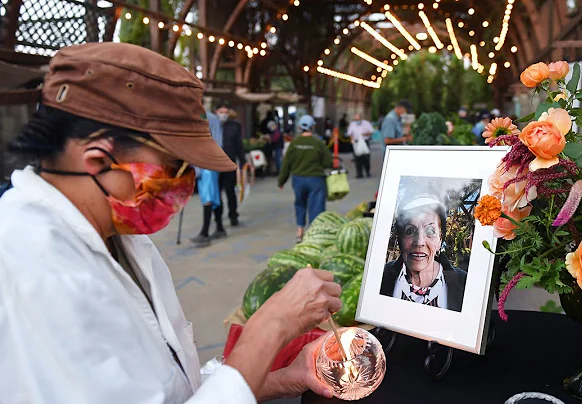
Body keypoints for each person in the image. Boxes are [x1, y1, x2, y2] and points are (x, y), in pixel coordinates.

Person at [0, 42, 341, 403]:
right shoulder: (29, 271)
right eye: (173, 168)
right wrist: (272, 325)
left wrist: (285, 377)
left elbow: (172, 388)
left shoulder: (122, 238)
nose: (185, 184)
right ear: (98, 161)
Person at [380, 192, 467, 312]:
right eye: (410, 231)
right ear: (400, 238)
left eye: (430, 231)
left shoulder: (464, 284)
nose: (419, 242)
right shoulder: (381, 277)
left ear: (440, 239)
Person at [279, 115, 333, 243]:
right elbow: (328, 162)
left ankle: (299, 232)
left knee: (300, 204)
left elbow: (286, 163)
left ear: (299, 127)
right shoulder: (318, 143)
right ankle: (314, 235)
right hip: (316, 180)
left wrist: (281, 181)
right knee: (317, 207)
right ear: (312, 127)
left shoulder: (294, 143)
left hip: (298, 180)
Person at [191, 111, 226, 246]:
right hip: (198, 163)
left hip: (208, 163)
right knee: (212, 195)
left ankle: (205, 232)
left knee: (208, 197)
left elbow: (217, 143)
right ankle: (220, 227)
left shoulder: (210, 118)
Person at [216, 104, 245, 227]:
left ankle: (233, 215)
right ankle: (218, 216)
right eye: (221, 111)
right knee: (216, 192)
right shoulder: (211, 126)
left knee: (230, 191)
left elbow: (238, 144)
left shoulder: (234, 127)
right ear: (216, 112)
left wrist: (242, 160)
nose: (223, 114)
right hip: (215, 164)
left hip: (229, 163)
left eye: (225, 111)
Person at [347, 113, 373, 178]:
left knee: (366, 158)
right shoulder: (352, 124)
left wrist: (365, 134)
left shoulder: (366, 123)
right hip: (356, 142)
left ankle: (367, 172)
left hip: (365, 142)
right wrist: (352, 139)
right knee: (357, 158)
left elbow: (371, 131)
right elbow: (350, 133)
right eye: (355, 119)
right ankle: (359, 173)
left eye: (358, 119)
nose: (357, 121)